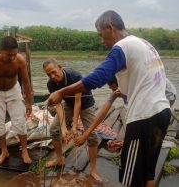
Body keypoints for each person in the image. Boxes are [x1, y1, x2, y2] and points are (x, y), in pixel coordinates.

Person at [47, 10, 171, 187]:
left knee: (132, 179)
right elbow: (108, 103)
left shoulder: (122, 47)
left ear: (110, 28)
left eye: (100, 35)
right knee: (147, 173)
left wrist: (61, 93)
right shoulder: (143, 44)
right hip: (161, 113)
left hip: (144, 116)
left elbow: (97, 77)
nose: (101, 40)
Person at [43, 58, 102, 181]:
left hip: (86, 104)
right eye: (49, 74)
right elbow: (58, 104)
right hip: (68, 105)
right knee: (54, 129)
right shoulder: (51, 84)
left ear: (60, 67)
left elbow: (78, 102)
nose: (52, 76)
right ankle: (59, 159)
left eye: (54, 72)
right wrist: (64, 128)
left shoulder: (75, 76)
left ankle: (93, 169)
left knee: (92, 136)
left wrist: (74, 126)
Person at [0, 36, 33, 165]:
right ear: (0, 50)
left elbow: (26, 82)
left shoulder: (19, 60)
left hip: (13, 90)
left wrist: (29, 102)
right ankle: (4, 151)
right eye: (8, 55)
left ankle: (24, 150)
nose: (12, 57)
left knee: (20, 121)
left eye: (14, 54)